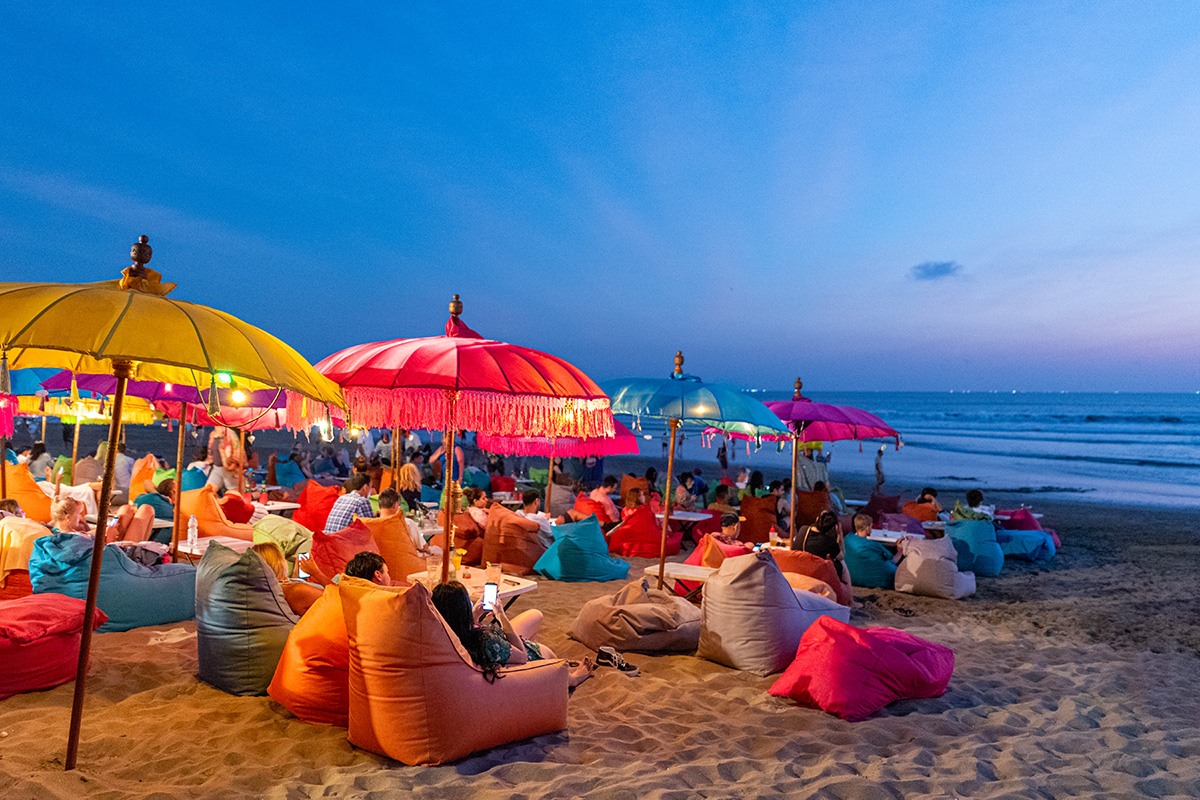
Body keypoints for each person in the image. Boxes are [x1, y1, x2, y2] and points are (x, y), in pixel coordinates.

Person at [431, 581, 593, 687]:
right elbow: (522, 655)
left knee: (535, 614)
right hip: (524, 655)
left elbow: (461, 630)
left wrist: (473, 615)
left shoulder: (444, 632)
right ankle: (572, 679)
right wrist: (501, 615)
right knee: (549, 656)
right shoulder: (485, 640)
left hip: (498, 644)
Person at [794, 510, 850, 585]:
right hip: (814, 574)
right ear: (834, 528)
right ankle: (844, 589)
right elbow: (841, 557)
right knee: (840, 563)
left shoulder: (803, 529)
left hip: (798, 568)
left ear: (817, 519)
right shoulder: (829, 542)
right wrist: (840, 535)